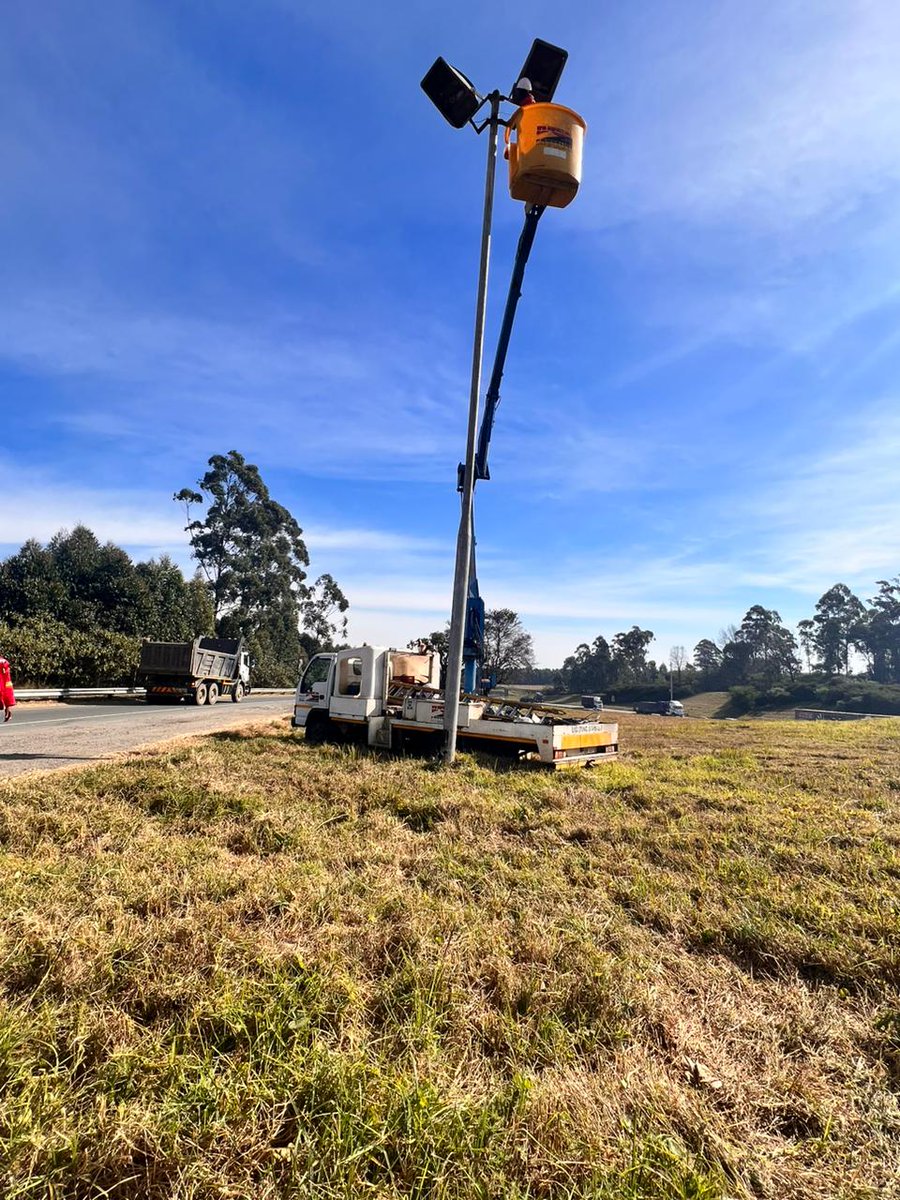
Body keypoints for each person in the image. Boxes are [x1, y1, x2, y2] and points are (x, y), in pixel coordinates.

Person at [0, 653, 15, 722]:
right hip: (5, 684)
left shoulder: (3, 662)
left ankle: (8, 711)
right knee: (6, 696)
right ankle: (8, 711)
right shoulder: (5, 662)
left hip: (3, 684)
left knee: (6, 696)